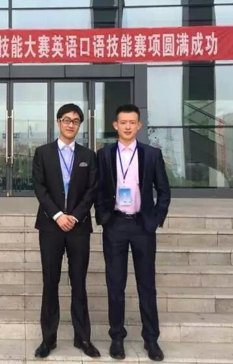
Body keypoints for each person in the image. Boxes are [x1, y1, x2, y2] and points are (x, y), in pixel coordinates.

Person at [95, 104, 171, 362]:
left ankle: (151, 339)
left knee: (146, 285)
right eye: (123, 122)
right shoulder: (104, 154)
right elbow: (98, 189)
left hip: (142, 226)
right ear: (115, 125)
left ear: (139, 126)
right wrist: (103, 217)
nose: (127, 126)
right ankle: (117, 337)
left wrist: (155, 220)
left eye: (132, 122)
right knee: (115, 284)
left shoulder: (151, 154)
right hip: (115, 225)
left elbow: (164, 190)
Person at [31, 103, 100, 359]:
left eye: (76, 121)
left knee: (79, 282)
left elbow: (92, 189)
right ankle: (48, 339)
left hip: (79, 227)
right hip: (51, 226)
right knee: (50, 282)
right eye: (66, 120)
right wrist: (58, 215)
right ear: (58, 122)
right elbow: (39, 188)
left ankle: (83, 338)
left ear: (80, 125)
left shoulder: (88, 156)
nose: (71, 124)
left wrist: (76, 215)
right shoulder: (43, 153)